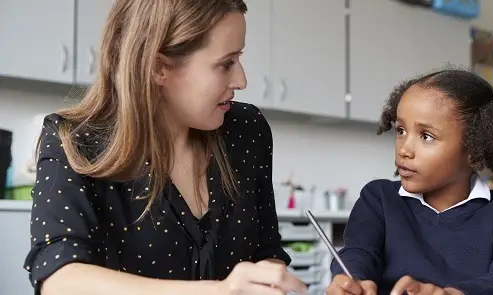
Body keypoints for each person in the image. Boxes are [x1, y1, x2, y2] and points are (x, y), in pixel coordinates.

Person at [23, 1, 307, 294]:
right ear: (159, 67)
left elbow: (266, 250)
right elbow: (58, 278)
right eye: (226, 64)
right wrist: (219, 291)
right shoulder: (73, 140)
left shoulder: (248, 130)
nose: (242, 80)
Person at [326, 67, 493, 295]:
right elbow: (358, 251)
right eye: (401, 130)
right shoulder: (379, 198)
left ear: (475, 148)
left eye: (426, 136)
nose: (404, 149)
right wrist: (350, 279)